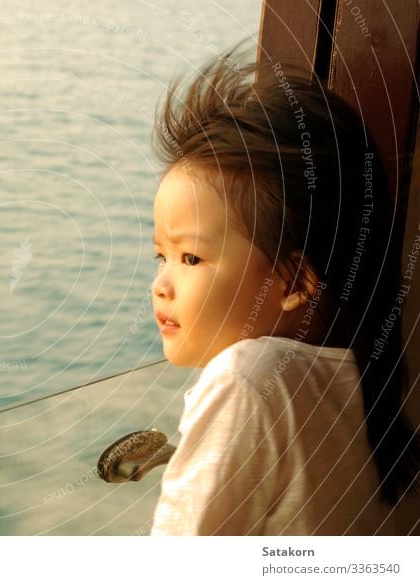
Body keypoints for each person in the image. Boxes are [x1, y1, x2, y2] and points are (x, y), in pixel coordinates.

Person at [147, 50, 420, 535]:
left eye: (190, 258)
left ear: (294, 282)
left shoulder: (246, 380)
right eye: (160, 256)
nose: (161, 285)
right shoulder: (362, 372)